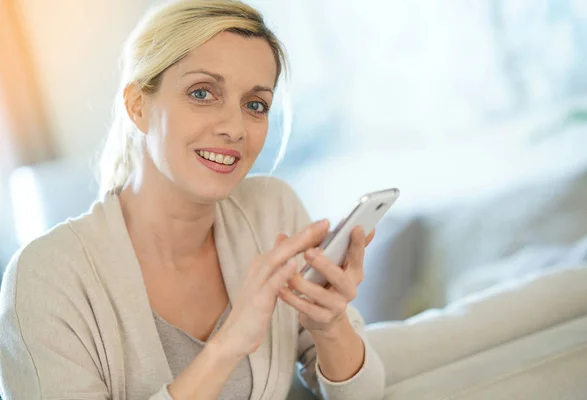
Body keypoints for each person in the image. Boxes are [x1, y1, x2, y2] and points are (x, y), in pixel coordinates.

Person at [0, 1, 385, 399]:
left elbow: (365, 394)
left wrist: (329, 324)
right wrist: (230, 343)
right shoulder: (45, 278)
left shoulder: (274, 213)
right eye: (202, 93)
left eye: (255, 105)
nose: (234, 128)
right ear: (137, 105)